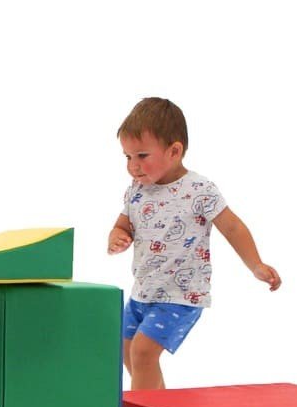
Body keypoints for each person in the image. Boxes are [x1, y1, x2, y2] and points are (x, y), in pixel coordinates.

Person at [108, 97, 282, 390]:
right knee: (126, 350)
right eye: (127, 157)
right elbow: (123, 224)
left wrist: (256, 265)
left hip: (180, 295)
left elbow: (232, 227)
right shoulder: (136, 190)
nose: (133, 166)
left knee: (143, 353)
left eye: (142, 155)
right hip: (143, 292)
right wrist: (116, 236)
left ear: (174, 151)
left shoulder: (199, 190)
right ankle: (158, 406)